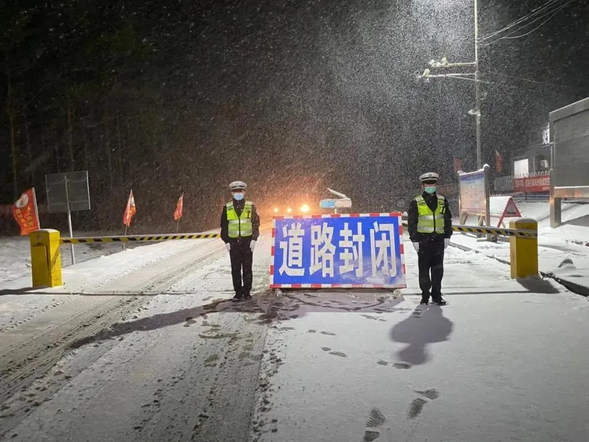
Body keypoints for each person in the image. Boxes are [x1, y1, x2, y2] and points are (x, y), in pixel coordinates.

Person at [407, 172, 452, 306]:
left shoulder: (442, 201)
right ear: (422, 186)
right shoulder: (416, 202)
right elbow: (412, 222)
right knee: (424, 269)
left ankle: (437, 295)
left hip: (438, 240)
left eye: (433, 184)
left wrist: (447, 236)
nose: (430, 186)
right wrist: (414, 240)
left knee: (438, 270)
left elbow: (447, 219)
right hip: (423, 241)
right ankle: (425, 295)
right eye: (428, 184)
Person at [220, 181, 260, 301]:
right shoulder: (227, 207)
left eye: (240, 191)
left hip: (247, 243)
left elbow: (255, 223)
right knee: (235, 269)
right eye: (235, 191)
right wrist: (226, 241)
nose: (238, 194)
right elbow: (224, 225)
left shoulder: (250, 206)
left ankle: (247, 292)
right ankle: (238, 292)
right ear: (231, 193)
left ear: (244, 192)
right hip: (233, 244)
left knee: (247, 268)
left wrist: (254, 238)